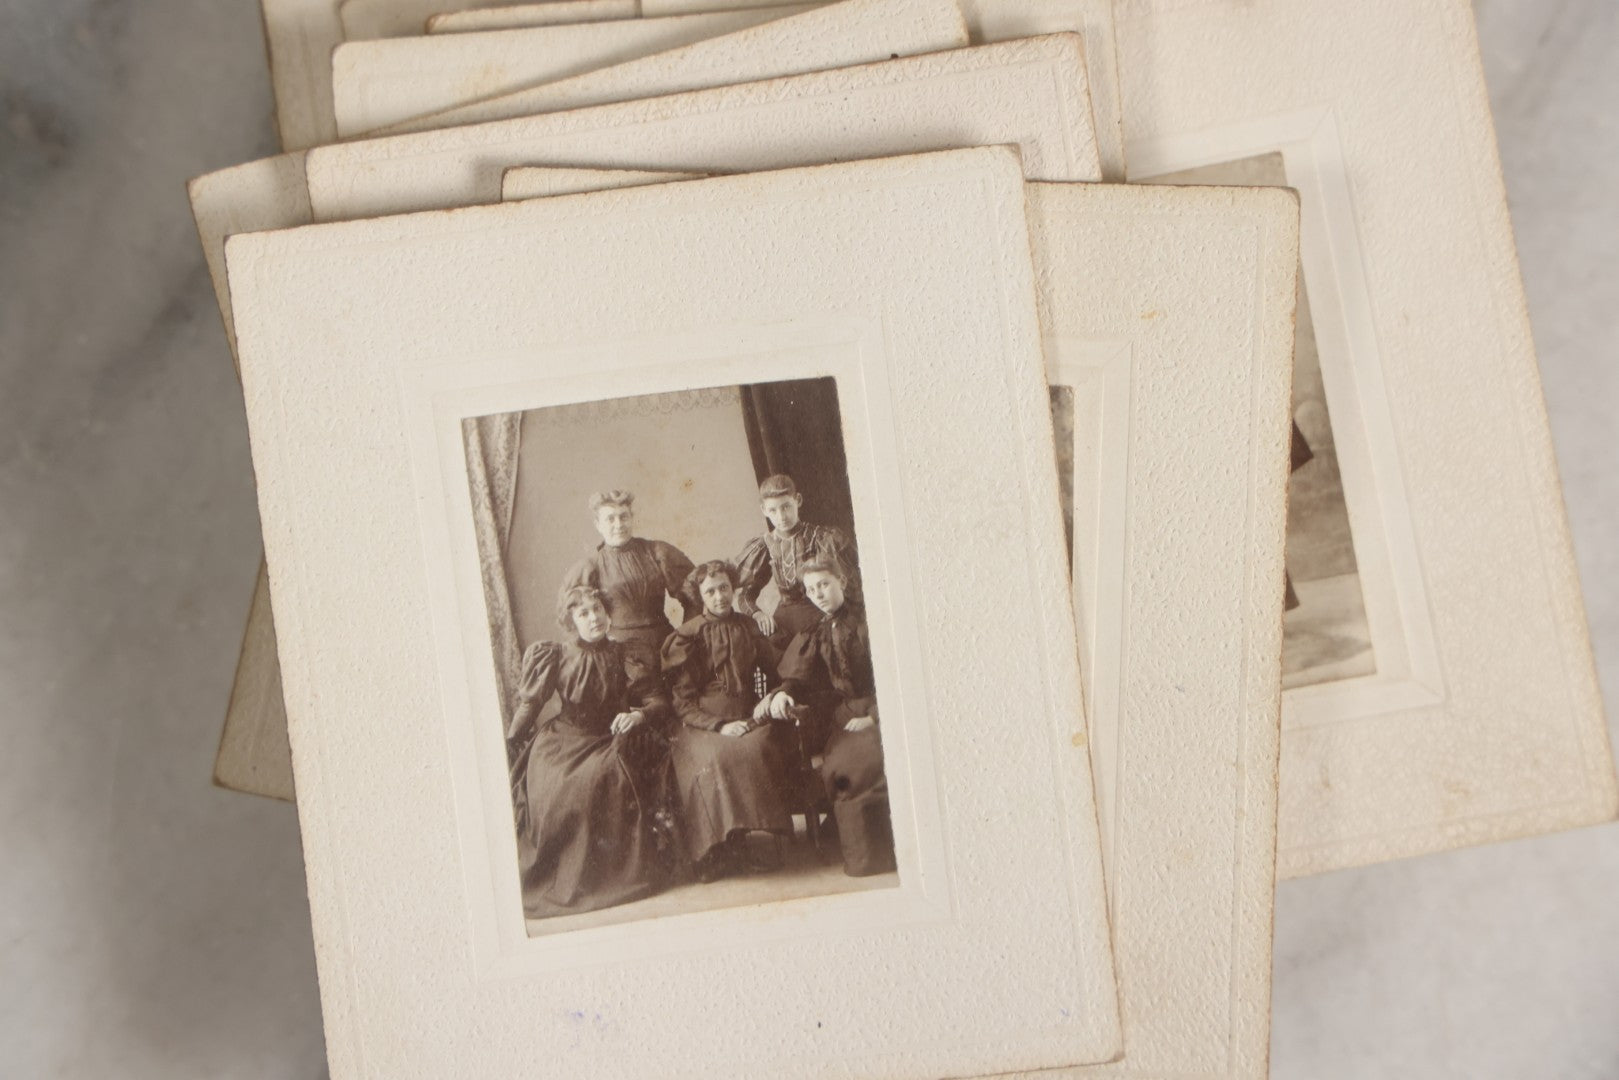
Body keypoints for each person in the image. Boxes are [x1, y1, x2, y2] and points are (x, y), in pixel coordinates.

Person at [505, 585, 678, 918]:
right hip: (563, 739)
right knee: (559, 791)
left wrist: (637, 715)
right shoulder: (555, 655)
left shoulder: (626, 653)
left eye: (597, 609)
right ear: (571, 621)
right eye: (583, 613)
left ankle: (610, 876)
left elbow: (657, 701)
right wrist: (512, 740)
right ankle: (564, 875)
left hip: (610, 736)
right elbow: (531, 704)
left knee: (601, 781)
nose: (594, 617)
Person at [757, 557, 895, 878]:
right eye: (811, 589)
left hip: (884, 708)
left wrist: (875, 716)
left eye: (824, 585)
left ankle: (889, 853)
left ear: (841, 583)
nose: (818, 594)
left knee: (869, 759)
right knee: (842, 764)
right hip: (844, 715)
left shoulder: (870, 620)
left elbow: (894, 675)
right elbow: (798, 675)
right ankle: (865, 857)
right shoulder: (815, 630)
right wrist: (784, 692)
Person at [660, 560, 794, 880]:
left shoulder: (749, 627)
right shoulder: (687, 636)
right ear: (700, 596)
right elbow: (682, 700)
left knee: (754, 749)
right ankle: (717, 850)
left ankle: (744, 843)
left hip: (749, 717)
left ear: (733, 589)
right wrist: (718, 726)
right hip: (700, 722)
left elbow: (779, 673)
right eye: (710, 591)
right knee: (715, 756)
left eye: (724, 588)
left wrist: (773, 696)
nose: (719, 597)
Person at [561, 490, 698, 670]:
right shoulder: (590, 567)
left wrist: (683, 637)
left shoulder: (657, 552)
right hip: (620, 656)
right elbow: (572, 619)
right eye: (610, 519)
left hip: (666, 647)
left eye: (623, 517)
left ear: (631, 518)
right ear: (597, 524)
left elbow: (696, 595)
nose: (619, 525)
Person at [734, 474, 856, 649]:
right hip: (786, 618)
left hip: (821, 611)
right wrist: (758, 615)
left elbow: (849, 584)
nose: (781, 516)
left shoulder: (822, 538)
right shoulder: (765, 545)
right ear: (764, 510)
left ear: (797, 500)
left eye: (786, 507)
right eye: (773, 510)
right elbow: (746, 595)